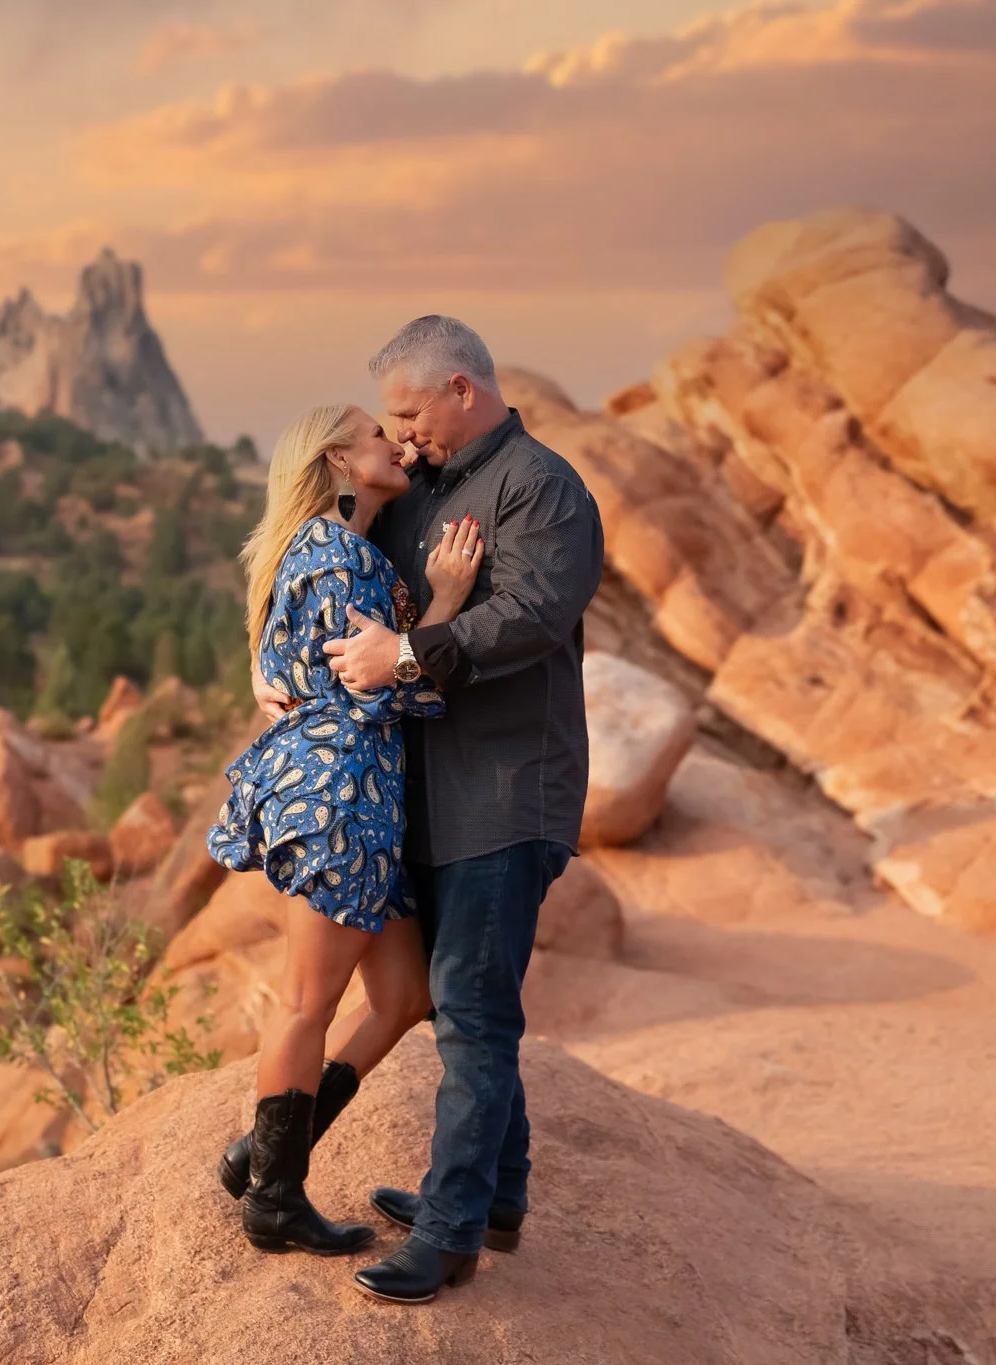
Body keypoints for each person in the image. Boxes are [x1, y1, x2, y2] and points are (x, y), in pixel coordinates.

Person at [259, 316, 604, 1303]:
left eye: (409, 414)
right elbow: (334, 581)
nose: (401, 436)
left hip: (504, 792)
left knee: (473, 1017)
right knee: (469, 1005)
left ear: (461, 389)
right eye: (389, 424)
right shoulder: (429, 494)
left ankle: (449, 1237)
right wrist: (270, 663)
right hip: (425, 795)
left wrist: (406, 655)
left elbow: (533, 615)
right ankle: (494, 1196)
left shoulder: (540, 488)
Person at [207, 400, 485, 1256]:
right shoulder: (333, 555)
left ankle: (266, 1150)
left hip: (363, 803)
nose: (395, 442)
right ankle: (276, 1201)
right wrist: (444, 601)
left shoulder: (346, 551)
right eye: (375, 435)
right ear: (335, 461)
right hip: (338, 799)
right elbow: (392, 685)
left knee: (404, 995)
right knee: (308, 1001)